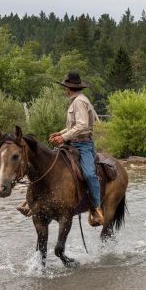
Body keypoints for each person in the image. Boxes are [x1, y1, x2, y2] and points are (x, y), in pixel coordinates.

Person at [48, 72, 104, 227]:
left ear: (68, 88)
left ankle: (96, 207)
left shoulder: (79, 102)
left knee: (89, 174)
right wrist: (61, 133)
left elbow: (82, 126)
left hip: (83, 145)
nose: (65, 89)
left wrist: (63, 138)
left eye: (65, 87)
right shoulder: (76, 100)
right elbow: (73, 127)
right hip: (73, 143)